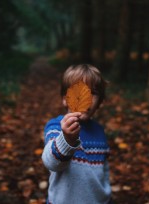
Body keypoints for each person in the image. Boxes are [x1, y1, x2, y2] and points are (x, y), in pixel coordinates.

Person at [42, 64, 111, 204]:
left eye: (93, 92)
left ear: (100, 103)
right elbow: (51, 162)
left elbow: (104, 172)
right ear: (64, 99)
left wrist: (107, 197)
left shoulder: (99, 131)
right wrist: (67, 139)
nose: (84, 97)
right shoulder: (56, 127)